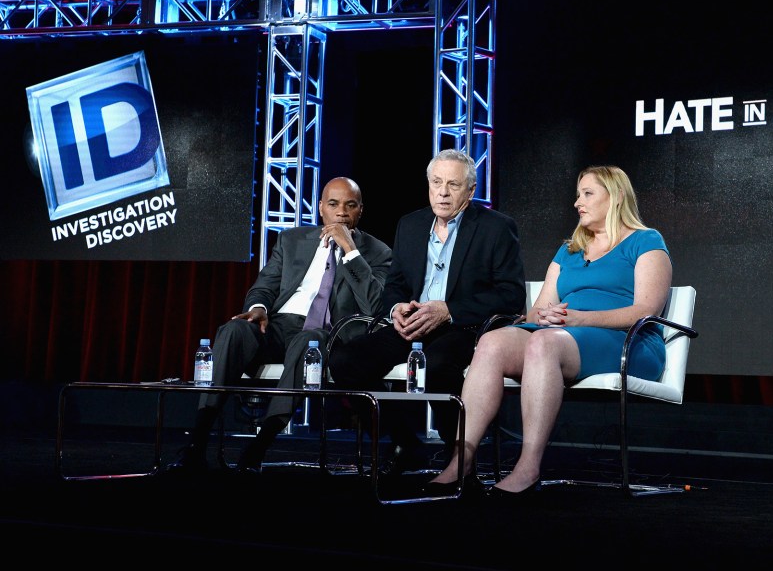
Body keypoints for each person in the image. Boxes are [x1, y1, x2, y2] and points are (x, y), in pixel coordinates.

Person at [427, 165, 673, 497]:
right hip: (562, 335)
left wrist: (579, 319)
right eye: (577, 194)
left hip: (628, 341)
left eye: (587, 194)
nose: (577, 203)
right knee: (492, 341)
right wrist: (546, 315)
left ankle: (528, 467)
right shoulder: (569, 249)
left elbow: (646, 311)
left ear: (615, 198)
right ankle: (462, 461)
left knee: (544, 343)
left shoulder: (645, 241)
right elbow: (536, 309)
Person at [168, 176, 392, 473]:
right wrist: (258, 309)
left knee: (307, 341)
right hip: (277, 325)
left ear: (360, 211)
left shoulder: (378, 253)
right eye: (334, 204)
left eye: (350, 206)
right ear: (321, 208)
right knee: (235, 330)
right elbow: (264, 288)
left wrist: (350, 251)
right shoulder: (292, 240)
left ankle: (261, 444)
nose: (341, 213)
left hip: (326, 332)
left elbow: (375, 308)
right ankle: (196, 442)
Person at [327, 149, 526, 476]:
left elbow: (511, 295)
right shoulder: (411, 224)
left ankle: (457, 457)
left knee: (435, 366)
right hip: (412, 325)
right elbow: (395, 285)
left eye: (453, 185)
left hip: (463, 328)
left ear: (471, 190)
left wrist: (449, 311)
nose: (443, 192)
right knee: (345, 361)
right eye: (436, 183)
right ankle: (407, 441)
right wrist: (396, 309)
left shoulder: (496, 228)